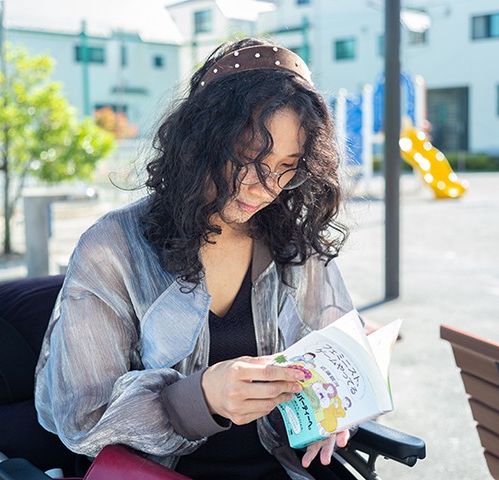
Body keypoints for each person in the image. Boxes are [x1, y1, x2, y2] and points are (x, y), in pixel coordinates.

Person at [35, 37, 359, 480]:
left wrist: (337, 409)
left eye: (288, 167)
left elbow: (337, 346)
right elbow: (82, 418)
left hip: (283, 468)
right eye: (249, 159)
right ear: (199, 140)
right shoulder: (112, 248)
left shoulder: (291, 241)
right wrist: (200, 399)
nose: (265, 187)